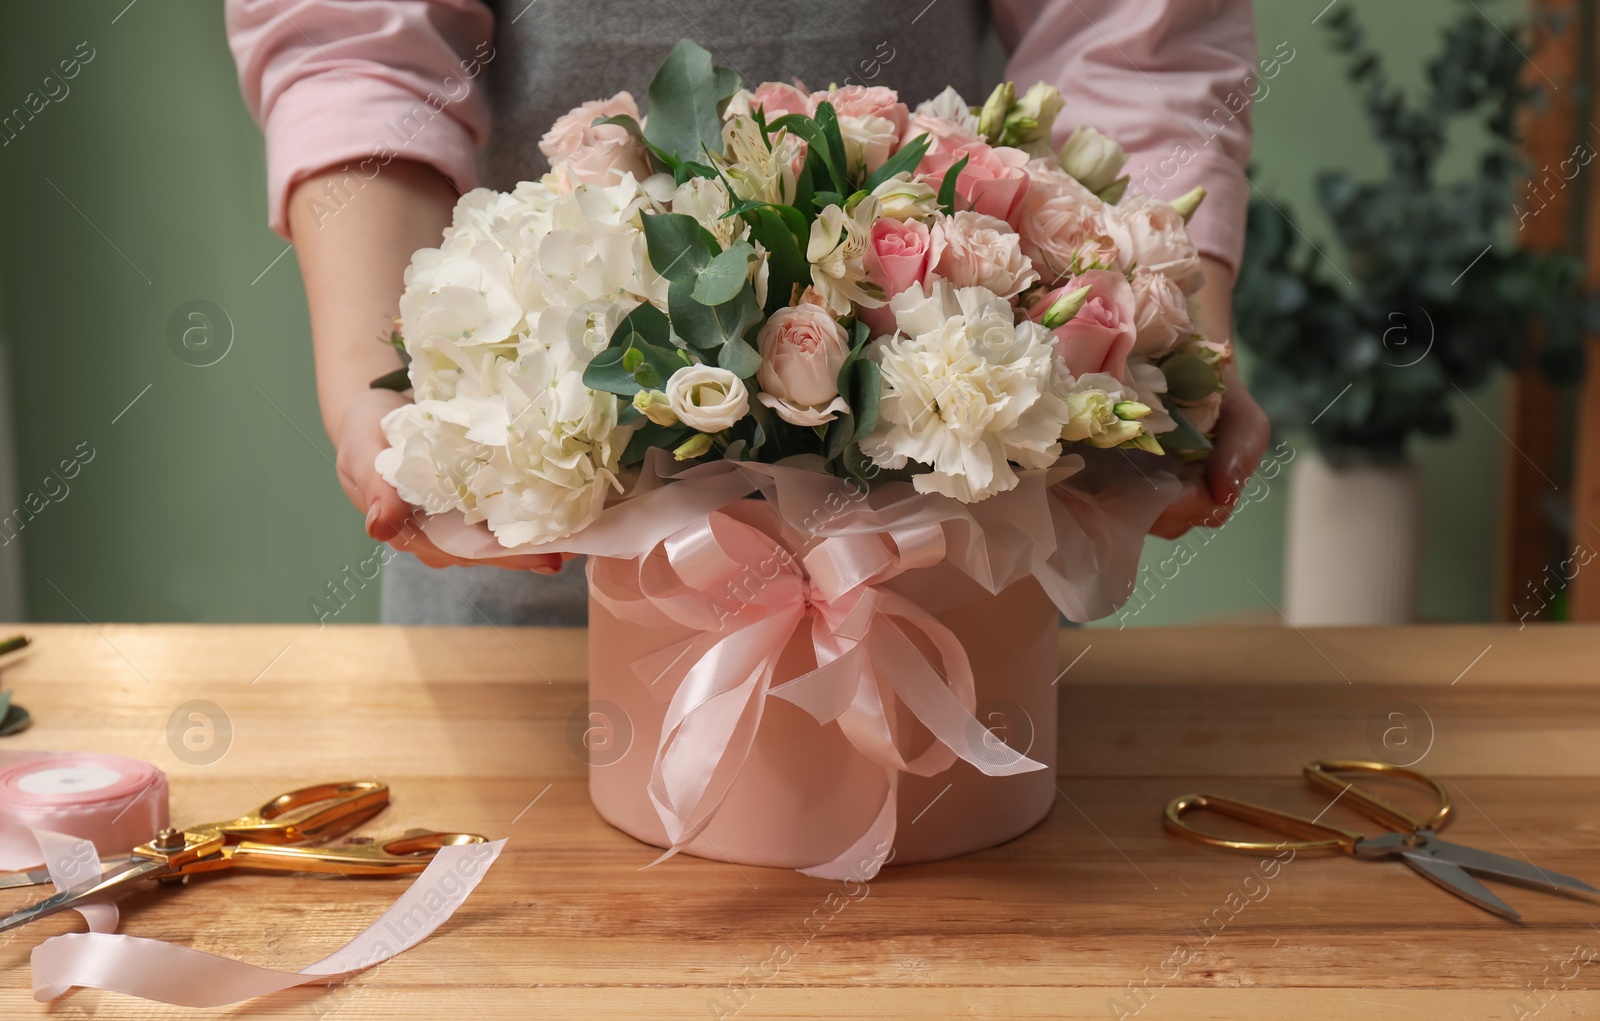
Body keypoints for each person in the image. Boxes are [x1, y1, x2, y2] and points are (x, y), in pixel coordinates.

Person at [226, 0, 1268, 626]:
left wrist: (1162, 335)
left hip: (949, 558)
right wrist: (390, 395)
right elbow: (356, 43)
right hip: (520, 550)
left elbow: (1137, 40)